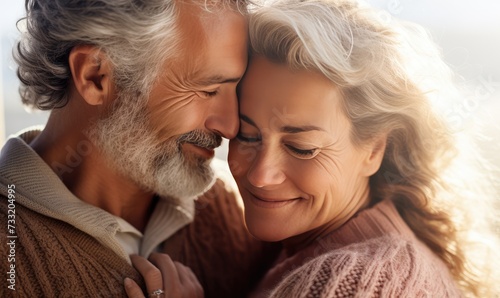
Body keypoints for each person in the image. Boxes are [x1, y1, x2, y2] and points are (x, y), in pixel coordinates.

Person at [0, 0, 277, 297]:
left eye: (237, 88)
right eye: (208, 90)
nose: (231, 126)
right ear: (96, 77)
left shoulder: (231, 212)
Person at [226, 0, 500, 296]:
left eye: (301, 148)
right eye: (247, 135)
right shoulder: (279, 248)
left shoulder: (357, 282)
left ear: (373, 150)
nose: (260, 176)